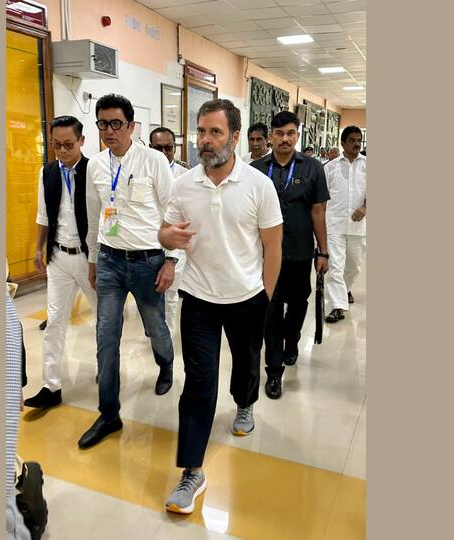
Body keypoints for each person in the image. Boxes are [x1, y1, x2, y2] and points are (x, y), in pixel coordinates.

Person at [158, 99, 283, 514]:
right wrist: (166, 238)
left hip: (247, 296)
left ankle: (245, 402)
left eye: (215, 132)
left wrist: (265, 297)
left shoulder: (258, 185)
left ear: (235, 136)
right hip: (199, 297)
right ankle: (192, 470)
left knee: (247, 363)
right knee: (198, 381)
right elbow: (165, 230)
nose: (205, 140)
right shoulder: (183, 184)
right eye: (201, 131)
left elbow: (273, 247)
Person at [79, 94, 176, 449]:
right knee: (106, 335)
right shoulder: (95, 166)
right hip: (110, 261)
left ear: (132, 126)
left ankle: (166, 363)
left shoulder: (153, 161)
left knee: (155, 327)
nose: (109, 130)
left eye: (116, 123)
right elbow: (94, 216)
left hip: (148, 261)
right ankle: (109, 413)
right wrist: (93, 259)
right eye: (103, 123)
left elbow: (174, 211)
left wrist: (171, 260)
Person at [251, 111, 329, 399]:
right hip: (266, 255)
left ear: (297, 135)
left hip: (300, 253)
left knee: (298, 305)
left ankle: (293, 339)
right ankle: (274, 372)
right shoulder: (256, 169)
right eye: (279, 133)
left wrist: (323, 251)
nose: (285, 138)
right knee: (270, 312)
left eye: (290, 133)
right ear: (271, 136)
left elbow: (318, 211)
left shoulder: (312, 168)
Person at [24, 116, 97, 409]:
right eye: (57, 145)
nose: (62, 151)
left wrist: (98, 258)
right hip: (58, 258)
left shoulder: (94, 170)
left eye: (69, 144)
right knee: (54, 321)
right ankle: (51, 386)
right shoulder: (47, 172)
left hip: (90, 259)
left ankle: (106, 368)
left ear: (82, 141)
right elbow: (44, 215)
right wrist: (38, 249)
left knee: (105, 318)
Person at [323, 126, 366, 323]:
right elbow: (321, 197)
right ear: (342, 143)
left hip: (358, 226)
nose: (356, 144)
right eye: (352, 140)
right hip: (334, 224)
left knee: (354, 266)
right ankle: (336, 306)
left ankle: (345, 289)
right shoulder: (329, 167)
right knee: (335, 267)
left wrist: (365, 207)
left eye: (359, 140)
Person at [150, 127, 188, 335]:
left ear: (175, 147)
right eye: (158, 148)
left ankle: (167, 336)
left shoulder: (185, 175)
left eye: (168, 148)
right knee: (152, 293)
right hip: (149, 243)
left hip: (175, 245)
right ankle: (155, 331)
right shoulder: (143, 170)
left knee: (171, 295)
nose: (164, 153)